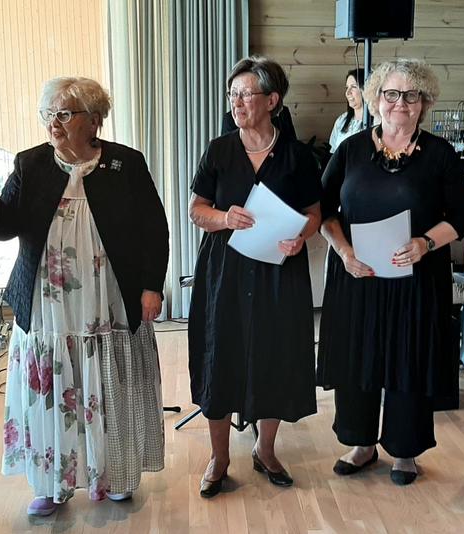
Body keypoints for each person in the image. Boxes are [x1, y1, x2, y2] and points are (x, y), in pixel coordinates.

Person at [0, 77, 169, 517]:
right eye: (48, 113)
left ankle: (113, 474)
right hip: (48, 305)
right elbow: (6, 227)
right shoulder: (31, 163)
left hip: (108, 299)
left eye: (64, 114)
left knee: (111, 386)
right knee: (53, 389)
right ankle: (51, 480)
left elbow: (154, 228)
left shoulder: (125, 163)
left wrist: (152, 286)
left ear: (93, 121)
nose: (53, 123)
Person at [316, 58, 464, 486]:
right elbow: (323, 210)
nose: (400, 103)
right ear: (375, 99)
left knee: (409, 360)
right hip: (358, 276)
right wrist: (343, 251)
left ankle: (405, 451)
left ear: (424, 102)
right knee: (358, 359)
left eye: (411, 95)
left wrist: (425, 243)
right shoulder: (351, 150)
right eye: (391, 94)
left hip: (416, 279)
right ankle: (361, 444)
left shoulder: (440, 154)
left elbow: (461, 216)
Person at [188, 56, 321, 498]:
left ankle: (265, 449)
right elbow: (196, 211)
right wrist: (225, 218)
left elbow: (314, 214)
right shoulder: (219, 150)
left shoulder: (297, 156)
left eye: (246, 94)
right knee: (220, 355)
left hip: (278, 271)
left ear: (272, 100)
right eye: (233, 94)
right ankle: (220, 457)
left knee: (274, 355)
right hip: (225, 271)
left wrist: (301, 236)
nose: (237, 102)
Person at [328, 68, 368, 153]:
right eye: (347, 87)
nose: (348, 92)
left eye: (353, 87)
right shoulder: (342, 120)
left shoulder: (377, 121)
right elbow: (333, 153)